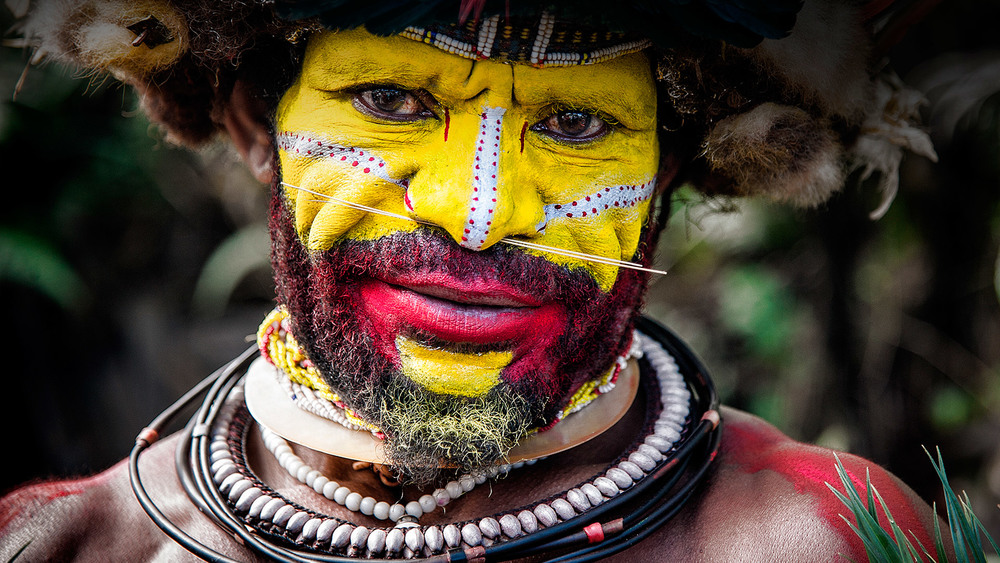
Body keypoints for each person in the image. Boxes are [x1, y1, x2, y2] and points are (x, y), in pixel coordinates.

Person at [0, 1, 945, 561]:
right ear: (257, 123)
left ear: (668, 168)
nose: (477, 210)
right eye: (390, 101)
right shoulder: (73, 548)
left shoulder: (818, 541)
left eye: (575, 125)